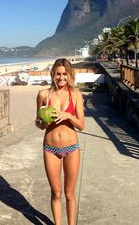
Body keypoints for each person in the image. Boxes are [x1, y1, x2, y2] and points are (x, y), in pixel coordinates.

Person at [35, 58, 85, 225]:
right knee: (56, 193)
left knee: (69, 194)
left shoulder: (76, 95)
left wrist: (69, 116)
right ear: (53, 74)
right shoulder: (43, 95)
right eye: (58, 74)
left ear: (69, 75)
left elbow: (82, 126)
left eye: (65, 74)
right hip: (50, 149)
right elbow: (38, 124)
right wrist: (44, 123)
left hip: (72, 149)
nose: (61, 77)